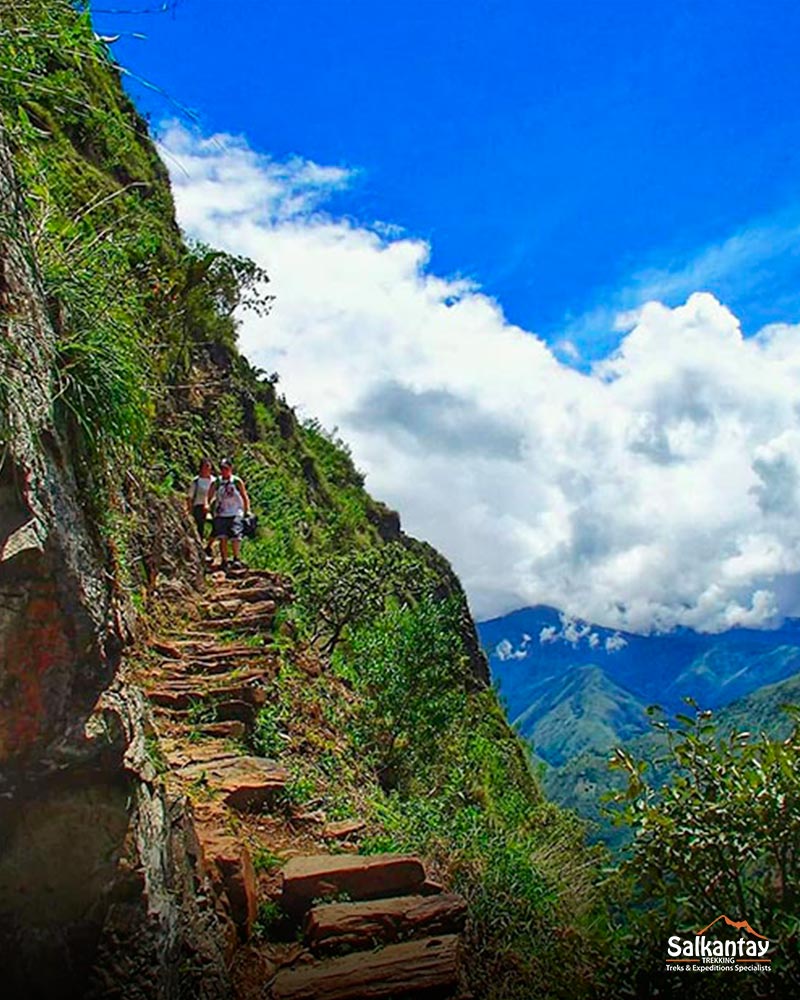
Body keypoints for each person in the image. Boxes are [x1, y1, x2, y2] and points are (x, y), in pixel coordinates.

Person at [207, 458, 251, 572]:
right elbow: (210, 495)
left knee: (236, 535)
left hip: (236, 511)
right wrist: (208, 508)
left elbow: (244, 495)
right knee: (222, 537)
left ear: (230, 469)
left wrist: (247, 510)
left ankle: (236, 558)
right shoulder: (217, 482)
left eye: (226, 468)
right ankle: (224, 560)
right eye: (222, 468)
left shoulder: (236, 481)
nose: (223, 471)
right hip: (222, 512)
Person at [187, 458, 215, 558]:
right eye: (206, 466)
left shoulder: (214, 481)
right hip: (198, 506)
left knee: (216, 526)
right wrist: (190, 510)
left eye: (209, 466)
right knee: (200, 528)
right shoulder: (196, 481)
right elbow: (190, 497)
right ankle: (200, 550)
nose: (208, 468)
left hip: (212, 507)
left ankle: (209, 547)